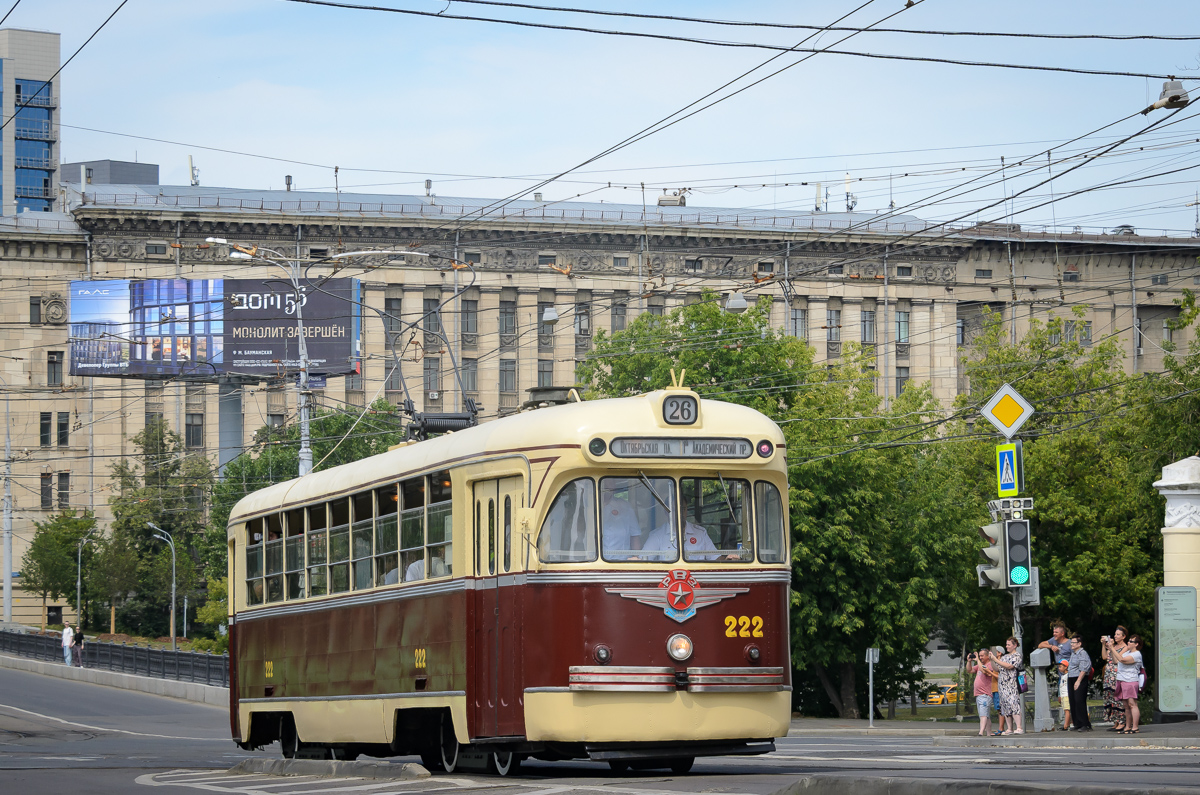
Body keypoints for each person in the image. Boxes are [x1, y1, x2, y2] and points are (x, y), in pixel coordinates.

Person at [642, 497, 719, 561]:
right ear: (666, 512)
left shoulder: (700, 533)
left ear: (687, 510)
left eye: (682, 509)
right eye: (674, 509)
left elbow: (715, 558)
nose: (679, 513)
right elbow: (643, 560)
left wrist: (728, 559)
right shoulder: (657, 536)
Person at [1038, 622, 1073, 730]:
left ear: (1062, 634)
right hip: (1060, 676)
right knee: (1061, 699)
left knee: (1068, 699)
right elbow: (1040, 644)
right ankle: (1071, 721)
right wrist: (1051, 646)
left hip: (1069, 675)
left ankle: (1067, 724)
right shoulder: (1054, 641)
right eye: (1053, 632)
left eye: (1056, 632)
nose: (1054, 634)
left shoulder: (1069, 643)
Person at [600, 480, 644, 560]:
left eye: (610, 481)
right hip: (596, 564)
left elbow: (635, 535)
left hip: (621, 563)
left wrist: (636, 557)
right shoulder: (588, 507)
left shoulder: (625, 506)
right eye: (604, 482)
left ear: (614, 486)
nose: (606, 485)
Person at [1109, 633, 1143, 734]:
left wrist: (1112, 648)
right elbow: (1116, 660)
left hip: (1130, 680)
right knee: (1126, 705)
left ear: (1136, 644)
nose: (1128, 642)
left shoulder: (1136, 654)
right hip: (1122, 680)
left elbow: (1122, 660)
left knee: (1132, 704)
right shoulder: (1127, 652)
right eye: (1129, 640)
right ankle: (1127, 726)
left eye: (1131, 641)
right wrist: (1111, 649)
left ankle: (1135, 727)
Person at [993, 637, 1025, 734]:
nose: (1007, 646)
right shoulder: (1004, 657)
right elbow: (997, 668)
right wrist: (992, 660)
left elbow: (1010, 666)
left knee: (1014, 703)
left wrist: (996, 660)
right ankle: (1010, 728)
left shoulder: (1017, 656)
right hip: (1002, 684)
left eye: (1009, 645)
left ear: (1014, 645)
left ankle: (1019, 727)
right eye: (1006, 645)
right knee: (1005, 705)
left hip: (1012, 684)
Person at [1101, 626, 1129, 731]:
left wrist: (1112, 648)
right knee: (1111, 697)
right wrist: (1104, 645)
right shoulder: (1114, 647)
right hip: (1109, 674)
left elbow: (1117, 660)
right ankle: (1115, 721)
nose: (1115, 636)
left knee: (1118, 698)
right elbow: (1104, 657)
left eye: (1118, 634)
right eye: (1115, 634)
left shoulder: (1125, 647)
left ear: (1123, 636)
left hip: (1117, 674)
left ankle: (1122, 721)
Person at [1066, 633, 1093, 732]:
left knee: (1079, 700)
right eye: (1071, 642)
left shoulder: (1082, 653)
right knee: (1072, 700)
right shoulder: (1073, 653)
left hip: (1079, 677)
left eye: (1074, 642)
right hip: (1071, 677)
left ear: (1079, 643)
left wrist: (1078, 681)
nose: (1072, 644)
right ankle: (1077, 723)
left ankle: (1085, 723)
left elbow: (1084, 668)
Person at [968, 647, 997, 737]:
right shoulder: (979, 665)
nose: (980, 658)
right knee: (986, 715)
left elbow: (984, 671)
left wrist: (977, 660)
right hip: (978, 694)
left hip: (985, 694)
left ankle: (981, 732)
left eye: (982, 656)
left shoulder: (989, 665)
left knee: (983, 714)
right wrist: (969, 661)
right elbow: (970, 670)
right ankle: (989, 733)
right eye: (979, 656)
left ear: (987, 656)